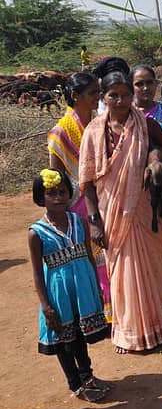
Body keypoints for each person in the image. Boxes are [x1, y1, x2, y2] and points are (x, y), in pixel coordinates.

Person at [80, 70, 162, 353]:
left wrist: (155, 160)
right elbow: (87, 183)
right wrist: (94, 221)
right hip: (111, 213)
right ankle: (127, 332)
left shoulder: (145, 125)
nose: (120, 101)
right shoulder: (94, 131)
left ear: (133, 96)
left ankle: (156, 329)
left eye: (125, 95)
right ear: (103, 98)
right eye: (113, 95)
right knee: (119, 270)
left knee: (149, 268)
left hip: (144, 211)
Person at [28, 169, 110, 402]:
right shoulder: (36, 233)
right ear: (40, 198)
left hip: (82, 288)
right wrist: (46, 305)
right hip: (58, 293)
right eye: (51, 193)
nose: (58, 198)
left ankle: (88, 377)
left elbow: (89, 256)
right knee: (64, 339)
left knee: (80, 335)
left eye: (62, 192)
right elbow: (36, 273)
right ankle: (75, 384)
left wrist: (96, 287)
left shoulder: (78, 221)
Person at [47, 72, 111, 322]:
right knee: (93, 260)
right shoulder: (61, 132)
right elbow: (56, 177)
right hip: (79, 204)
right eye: (93, 93)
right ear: (75, 96)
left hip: (105, 196)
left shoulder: (99, 123)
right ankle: (100, 314)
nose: (98, 97)